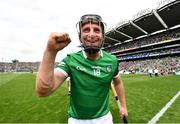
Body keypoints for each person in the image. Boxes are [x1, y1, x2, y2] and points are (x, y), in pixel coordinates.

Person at [36, 14, 128, 124]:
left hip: (105, 118)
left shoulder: (112, 60)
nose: (91, 34)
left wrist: (123, 106)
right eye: (86, 30)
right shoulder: (71, 60)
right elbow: (43, 91)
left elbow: (117, 82)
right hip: (77, 120)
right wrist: (51, 51)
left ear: (103, 36)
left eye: (96, 30)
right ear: (80, 36)